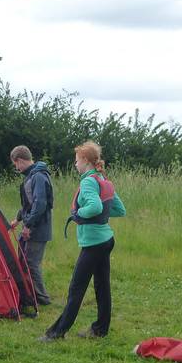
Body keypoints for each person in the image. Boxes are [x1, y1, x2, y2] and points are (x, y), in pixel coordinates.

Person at [41, 141, 126, 342]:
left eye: (76, 160)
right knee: (102, 286)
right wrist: (99, 214)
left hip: (94, 243)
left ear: (85, 161)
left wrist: (79, 213)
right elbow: (119, 209)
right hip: (106, 239)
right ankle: (100, 329)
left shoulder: (88, 182)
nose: (75, 164)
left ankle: (56, 333)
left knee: (76, 289)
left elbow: (95, 207)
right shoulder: (103, 180)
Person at [9, 145, 54, 306]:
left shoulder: (39, 177)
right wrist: (17, 219)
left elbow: (40, 204)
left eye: (15, 164)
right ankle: (28, 293)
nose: (16, 167)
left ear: (20, 160)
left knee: (31, 263)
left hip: (38, 228)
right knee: (22, 260)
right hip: (31, 224)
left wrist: (28, 225)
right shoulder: (31, 176)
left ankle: (42, 298)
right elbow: (28, 204)